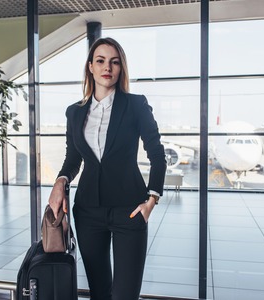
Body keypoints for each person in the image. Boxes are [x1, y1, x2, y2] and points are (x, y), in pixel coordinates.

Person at [48, 37, 167, 300]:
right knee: (99, 292)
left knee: (125, 294)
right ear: (90, 66)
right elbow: (73, 158)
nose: (107, 67)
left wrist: (152, 200)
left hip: (130, 210)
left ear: (120, 68)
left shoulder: (136, 105)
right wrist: (60, 181)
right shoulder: (74, 113)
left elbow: (157, 154)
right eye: (100, 61)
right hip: (89, 210)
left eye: (114, 62)